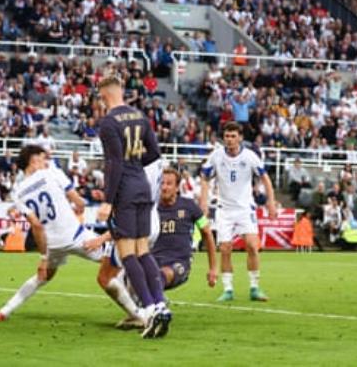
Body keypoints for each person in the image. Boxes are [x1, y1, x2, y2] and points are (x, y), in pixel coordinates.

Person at [88, 168, 217, 330]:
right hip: (151, 259)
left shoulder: (189, 206)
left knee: (160, 274)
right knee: (121, 277)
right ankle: (141, 312)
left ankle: (154, 305)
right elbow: (125, 227)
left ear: (177, 187)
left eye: (169, 184)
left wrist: (213, 268)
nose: (164, 187)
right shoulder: (149, 209)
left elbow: (207, 232)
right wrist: (100, 239)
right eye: (162, 183)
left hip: (178, 263)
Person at [0, 145, 104, 321]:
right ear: (33, 160)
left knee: (42, 277)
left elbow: (36, 224)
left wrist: (44, 256)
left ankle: (4, 311)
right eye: (43, 158)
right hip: (76, 236)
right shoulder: (52, 172)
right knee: (117, 260)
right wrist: (83, 203)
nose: (46, 162)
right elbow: (78, 201)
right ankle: (141, 308)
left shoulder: (17, 192)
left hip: (53, 245)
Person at [95, 75, 170, 338]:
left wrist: (108, 200)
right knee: (143, 251)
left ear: (104, 95)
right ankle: (160, 303)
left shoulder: (108, 122)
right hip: (143, 187)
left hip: (125, 191)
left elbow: (114, 163)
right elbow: (154, 153)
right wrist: (134, 161)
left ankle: (149, 311)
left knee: (128, 254)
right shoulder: (140, 117)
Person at [199, 121, 277, 302]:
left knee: (251, 245)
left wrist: (270, 202)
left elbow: (265, 178)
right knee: (225, 248)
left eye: (233, 136)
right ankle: (228, 289)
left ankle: (254, 287)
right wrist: (203, 201)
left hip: (245, 208)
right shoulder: (216, 156)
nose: (230, 140)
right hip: (224, 209)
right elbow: (204, 178)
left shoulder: (249, 157)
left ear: (240, 138)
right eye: (227, 136)